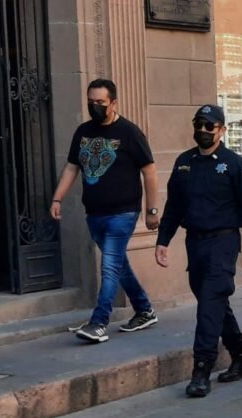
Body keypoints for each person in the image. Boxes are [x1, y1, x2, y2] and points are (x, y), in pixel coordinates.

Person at [155, 105, 242, 398]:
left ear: (222, 130)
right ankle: (241, 357)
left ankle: (201, 370)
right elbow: (173, 207)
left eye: (209, 126)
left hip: (223, 242)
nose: (203, 130)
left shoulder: (233, 164)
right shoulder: (184, 162)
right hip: (196, 243)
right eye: (198, 124)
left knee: (209, 304)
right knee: (212, 303)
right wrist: (163, 240)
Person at [51, 78, 159, 344]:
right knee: (118, 264)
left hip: (123, 212)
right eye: (91, 101)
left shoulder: (129, 132)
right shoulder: (83, 132)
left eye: (100, 102)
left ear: (113, 103)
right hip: (95, 213)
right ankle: (144, 310)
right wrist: (57, 198)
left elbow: (149, 171)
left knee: (109, 266)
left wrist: (152, 209)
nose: (95, 106)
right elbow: (72, 167)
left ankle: (99, 322)